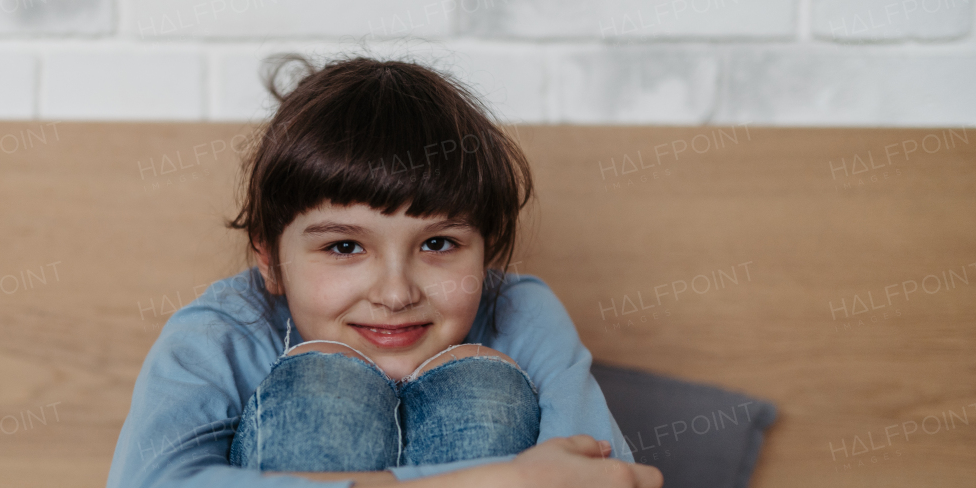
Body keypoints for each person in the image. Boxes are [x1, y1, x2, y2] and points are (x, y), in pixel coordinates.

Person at [106, 54, 663, 488]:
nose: (396, 293)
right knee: (325, 382)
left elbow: (611, 477)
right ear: (270, 261)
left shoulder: (521, 309)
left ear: (487, 252)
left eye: (439, 243)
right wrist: (502, 480)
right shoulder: (220, 329)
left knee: (479, 384)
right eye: (345, 247)